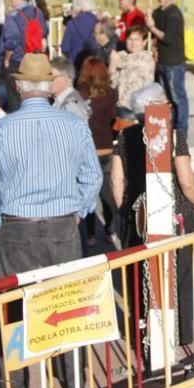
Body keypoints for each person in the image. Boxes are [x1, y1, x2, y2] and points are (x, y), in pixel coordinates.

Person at [0, 52, 102, 388]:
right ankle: (73, 384)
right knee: (68, 306)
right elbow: (93, 176)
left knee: (15, 309)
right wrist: (79, 211)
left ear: (17, 86)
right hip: (62, 226)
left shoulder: (1, 130)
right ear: (49, 86)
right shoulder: (74, 125)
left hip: (17, 227)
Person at [110, 83, 194, 352]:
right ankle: (183, 331)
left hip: (137, 216)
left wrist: (124, 210)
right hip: (174, 215)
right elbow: (186, 180)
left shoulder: (125, 137)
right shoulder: (174, 137)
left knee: (139, 276)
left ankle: (143, 329)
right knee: (181, 275)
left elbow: (116, 178)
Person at [77, 56, 119, 246]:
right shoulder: (110, 93)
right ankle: (110, 230)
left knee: (88, 195)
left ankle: (91, 234)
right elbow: (113, 118)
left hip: (88, 150)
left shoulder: (79, 95)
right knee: (107, 193)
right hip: (107, 147)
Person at [145, 0, 189, 132]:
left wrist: (152, 26)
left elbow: (167, 38)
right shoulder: (158, 12)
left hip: (174, 62)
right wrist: (149, 17)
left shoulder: (174, 14)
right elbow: (152, 33)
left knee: (177, 97)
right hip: (161, 61)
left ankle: (181, 128)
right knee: (165, 98)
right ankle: (168, 126)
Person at [0, 0, 49, 111]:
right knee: (36, 93)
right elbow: (44, 31)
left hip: (18, 60)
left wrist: (6, 59)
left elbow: (11, 40)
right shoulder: (37, 12)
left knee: (15, 95)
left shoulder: (13, 16)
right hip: (36, 58)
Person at [110, 25, 154, 113]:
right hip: (120, 106)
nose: (133, 43)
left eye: (137, 39)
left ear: (144, 42)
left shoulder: (146, 57)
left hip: (139, 108)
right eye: (130, 39)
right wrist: (111, 68)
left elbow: (125, 62)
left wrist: (113, 61)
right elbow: (112, 83)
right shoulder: (122, 55)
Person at [60, 0, 99, 77]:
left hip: (75, 67)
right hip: (94, 66)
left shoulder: (71, 24)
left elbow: (65, 48)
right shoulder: (98, 22)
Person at [50, 56, 90, 121]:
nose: (48, 82)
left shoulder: (71, 106)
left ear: (67, 78)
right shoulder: (61, 100)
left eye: (52, 78)